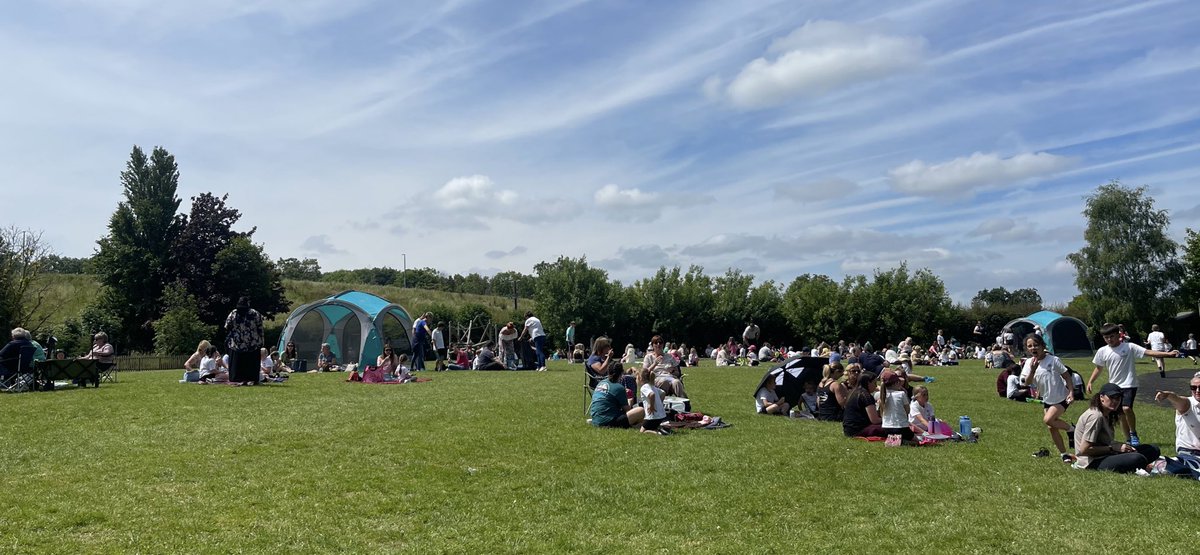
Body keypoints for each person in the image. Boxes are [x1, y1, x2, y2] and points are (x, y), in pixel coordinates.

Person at [1087, 323, 1178, 447]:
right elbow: (1098, 368)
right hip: (1114, 386)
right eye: (1106, 338)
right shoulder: (1103, 351)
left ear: (1119, 335)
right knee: (1120, 414)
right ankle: (1128, 438)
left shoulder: (1129, 347)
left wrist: (1168, 354)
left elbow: (1148, 352)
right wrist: (1090, 381)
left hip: (1129, 383)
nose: (1109, 340)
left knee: (1126, 408)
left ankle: (1133, 433)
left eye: (1112, 337)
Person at [1074, 383, 1161, 473]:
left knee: (1153, 449)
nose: (1115, 401)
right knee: (1138, 458)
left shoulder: (1107, 414)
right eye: (1112, 397)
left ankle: (1139, 465)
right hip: (1091, 462)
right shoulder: (1095, 417)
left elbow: (1104, 442)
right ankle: (1139, 466)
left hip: (1105, 454)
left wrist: (1120, 447)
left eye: (1118, 398)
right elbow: (1084, 450)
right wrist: (1113, 448)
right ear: (1101, 397)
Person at [1021, 333, 1076, 463]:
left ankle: (1072, 429)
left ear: (1042, 346)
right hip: (1047, 400)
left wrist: (1071, 392)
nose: (1033, 348)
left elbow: (1067, 376)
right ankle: (1064, 454)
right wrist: (1033, 370)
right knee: (1052, 427)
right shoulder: (1029, 363)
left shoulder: (1053, 360)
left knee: (1048, 420)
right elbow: (1026, 383)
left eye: (1036, 345)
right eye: (1030, 346)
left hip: (1061, 398)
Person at [1153, 373, 1200, 476]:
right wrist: (1168, 395)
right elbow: (1178, 400)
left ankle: (1173, 465)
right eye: (1193, 387)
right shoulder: (1188, 404)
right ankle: (1163, 464)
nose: (1197, 391)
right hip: (1189, 451)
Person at [589, 358, 645, 429]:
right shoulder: (619, 388)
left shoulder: (601, 383)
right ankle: (639, 426)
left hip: (596, 419)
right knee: (640, 410)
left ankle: (636, 426)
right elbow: (627, 410)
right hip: (608, 421)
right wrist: (630, 399)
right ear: (621, 373)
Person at [224, 296, 264, 385]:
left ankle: (237, 379)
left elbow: (227, 326)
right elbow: (260, 328)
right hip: (252, 342)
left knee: (237, 363)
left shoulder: (233, 313)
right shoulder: (255, 313)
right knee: (251, 363)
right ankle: (252, 379)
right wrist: (261, 340)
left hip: (237, 343)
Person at [842, 372, 884, 438]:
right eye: (874, 383)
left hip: (849, 429)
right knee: (891, 428)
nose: (876, 386)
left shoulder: (853, 392)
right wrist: (888, 420)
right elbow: (875, 420)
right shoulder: (866, 396)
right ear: (868, 383)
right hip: (859, 430)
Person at [879, 370, 914, 442]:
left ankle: (895, 440)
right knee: (917, 440)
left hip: (886, 427)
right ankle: (903, 441)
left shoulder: (881, 395)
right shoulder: (901, 394)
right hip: (901, 427)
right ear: (896, 383)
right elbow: (908, 410)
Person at [638, 366, 669, 435]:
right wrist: (659, 403)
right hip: (661, 416)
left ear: (640, 378)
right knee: (652, 426)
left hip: (652, 417)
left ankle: (658, 433)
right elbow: (663, 393)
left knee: (642, 431)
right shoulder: (652, 386)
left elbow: (651, 395)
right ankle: (659, 428)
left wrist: (651, 406)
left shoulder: (644, 387)